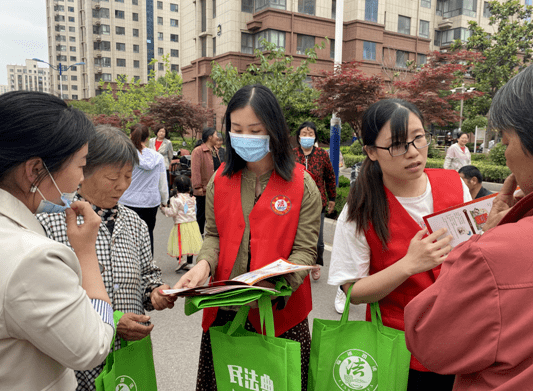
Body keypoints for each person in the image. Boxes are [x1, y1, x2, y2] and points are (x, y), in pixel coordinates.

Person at [172, 84, 321, 390]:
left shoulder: (301, 185)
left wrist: (273, 287)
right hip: (226, 315)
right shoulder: (221, 178)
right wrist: (203, 266)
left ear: (275, 131)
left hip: (280, 319)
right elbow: (213, 235)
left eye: (255, 130)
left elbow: (306, 253)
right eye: (237, 129)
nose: (245, 138)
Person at [404, 63, 533, 391]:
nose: (412, 152)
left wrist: (486, 239)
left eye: (505, 142)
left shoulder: (494, 249)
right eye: (397, 143)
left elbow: (429, 338)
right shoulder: (364, 201)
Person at [327, 99, 472, 391]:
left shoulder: (454, 184)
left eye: (418, 138)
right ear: (371, 152)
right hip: (398, 351)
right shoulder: (360, 210)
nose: (413, 152)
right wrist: (407, 265)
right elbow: (352, 291)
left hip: (463, 342)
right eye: (397, 145)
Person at [37, 125, 176, 390]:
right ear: (82, 172)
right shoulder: (51, 223)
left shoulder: (134, 222)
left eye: (128, 175)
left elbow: (148, 274)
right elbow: (48, 299)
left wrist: (156, 292)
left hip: (128, 359)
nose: (123, 186)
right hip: (76, 361)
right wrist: (111, 319)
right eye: (113, 177)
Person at [0, 91, 114, 390]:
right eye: (80, 165)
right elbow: (92, 347)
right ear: (36, 170)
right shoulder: (31, 259)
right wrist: (86, 253)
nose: (80, 179)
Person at [293, 121, 336, 280]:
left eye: (310, 134)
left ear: (315, 137)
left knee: (317, 238)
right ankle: (298, 265)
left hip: (318, 203)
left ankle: (316, 264)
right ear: (298, 136)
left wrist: (332, 198)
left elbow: (330, 177)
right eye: (304, 133)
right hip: (295, 202)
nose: (307, 136)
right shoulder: (292, 154)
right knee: (296, 237)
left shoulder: (322, 155)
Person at [120, 123, 169, 255]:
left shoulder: (126, 155)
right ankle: (148, 264)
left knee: (127, 236)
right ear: (147, 138)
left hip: (128, 201)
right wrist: (164, 200)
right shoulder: (157, 157)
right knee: (148, 234)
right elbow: (162, 182)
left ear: (130, 135)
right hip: (150, 202)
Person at [161, 175, 203, 272]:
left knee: (178, 242)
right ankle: (189, 262)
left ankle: (181, 261)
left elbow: (172, 212)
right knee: (190, 243)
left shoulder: (175, 199)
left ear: (175, 187)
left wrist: (163, 209)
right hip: (192, 224)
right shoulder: (192, 198)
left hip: (181, 224)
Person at [191, 127, 218, 234]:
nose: (218, 137)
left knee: (213, 215)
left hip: (215, 189)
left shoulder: (215, 150)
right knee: (201, 216)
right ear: (210, 137)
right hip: (204, 190)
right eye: (216, 135)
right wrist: (197, 187)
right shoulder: (198, 151)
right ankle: (198, 237)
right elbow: (195, 171)